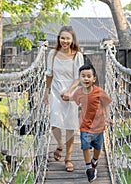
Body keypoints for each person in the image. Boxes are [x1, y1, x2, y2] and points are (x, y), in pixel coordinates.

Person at [43, 26, 84, 172]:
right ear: (58, 38)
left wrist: (70, 92)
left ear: (72, 40)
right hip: (55, 91)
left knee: (70, 125)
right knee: (54, 121)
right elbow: (49, 74)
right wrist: (46, 92)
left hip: (71, 92)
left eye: (67, 38)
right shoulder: (53, 54)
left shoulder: (77, 55)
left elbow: (78, 77)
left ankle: (68, 158)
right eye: (62, 38)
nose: (64, 41)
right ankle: (60, 144)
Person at [65, 64, 112, 182]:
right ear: (79, 78)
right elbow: (72, 98)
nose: (86, 79)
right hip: (85, 125)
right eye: (83, 76)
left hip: (98, 126)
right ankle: (89, 168)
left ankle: (94, 160)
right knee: (85, 146)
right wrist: (65, 97)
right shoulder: (79, 92)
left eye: (88, 76)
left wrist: (107, 117)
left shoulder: (99, 92)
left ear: (94, 79)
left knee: (97, 147)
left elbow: (106, 104)